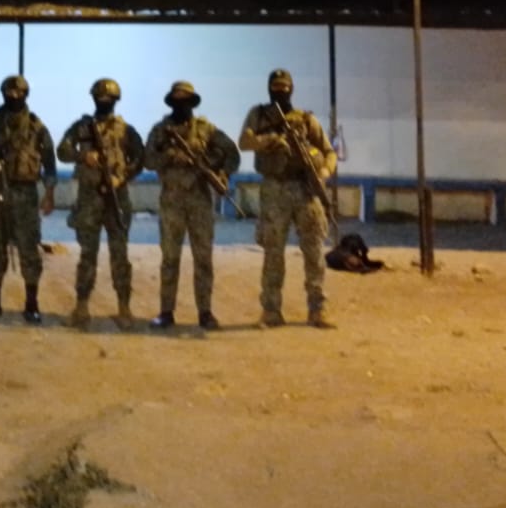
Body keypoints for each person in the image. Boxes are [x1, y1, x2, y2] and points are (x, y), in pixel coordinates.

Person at [239, 68, 339, 329]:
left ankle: (317, 310)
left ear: (291, 89)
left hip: (305, 189)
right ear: (269, 88)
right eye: (276, 87)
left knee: (314, 252)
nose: (280, 92)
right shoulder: (258, 114)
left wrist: (323, 173)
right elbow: (244, 142)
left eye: (284, 88)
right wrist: (270, 140)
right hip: (275, 188)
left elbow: (329, 151)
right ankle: (271, 311)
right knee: (273, 252)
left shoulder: (305, 119)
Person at [143, 80, 239, 330]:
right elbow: (148, 160)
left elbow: (232, 154)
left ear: (192, 103)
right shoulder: (160, 131)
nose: (181, 105)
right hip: (172, 200)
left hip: (200, 200)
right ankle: (166, 312)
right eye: (177, 101)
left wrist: (220, 173)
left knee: (203, 258)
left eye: (185, 101)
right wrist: (171, 155)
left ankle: (205, 312)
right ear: (171, 103)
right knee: (169, 258)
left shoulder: (207, 130)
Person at [57, 78, 145, 329]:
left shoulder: (126, 131)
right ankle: (81, 308)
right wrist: (83, 155)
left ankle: (124, 309)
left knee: (120, 255)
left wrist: (121, 177)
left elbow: (140, 159)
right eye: (100, 98)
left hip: (117, 199)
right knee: (87, 255)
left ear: (116, 101)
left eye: (109, 99)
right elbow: (62, 150)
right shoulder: (81, 127)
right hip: (89, 198)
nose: (104, 102)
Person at [0, 74, 57, 323]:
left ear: (25, 95)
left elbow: (50, 164)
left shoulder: (36, 127)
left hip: (25, 195)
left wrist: (49, 194)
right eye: (9, 93)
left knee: (29, 249)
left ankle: (32, 304)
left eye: (18, 93)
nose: (13, 97)